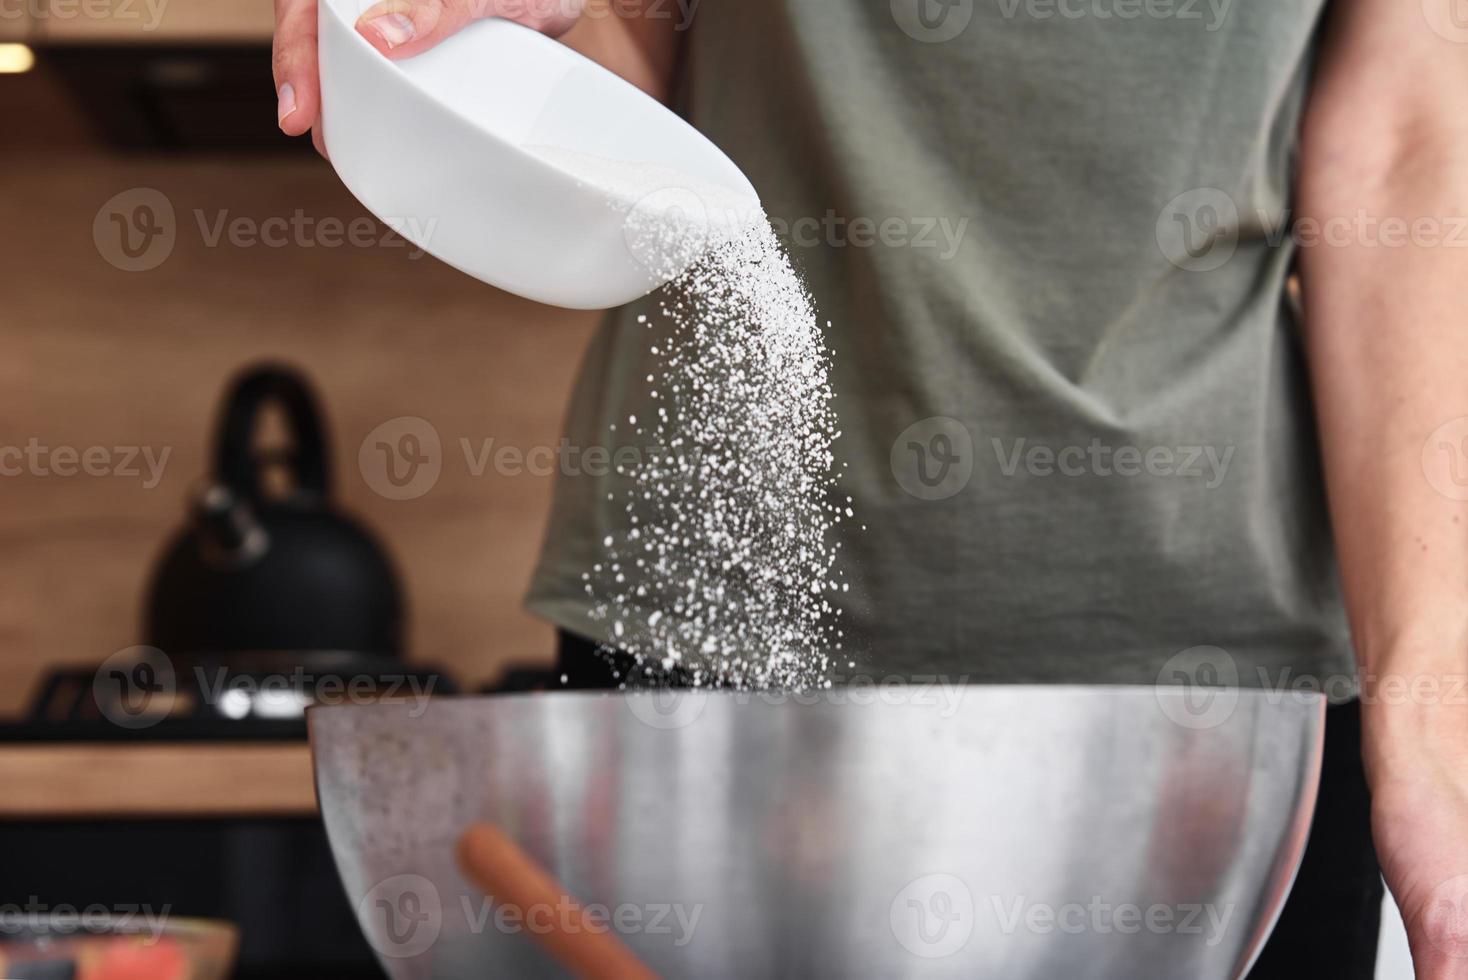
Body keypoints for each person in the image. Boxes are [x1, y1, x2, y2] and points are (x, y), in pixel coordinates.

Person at [274, 1, 1468, 975]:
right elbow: (631, 45)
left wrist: (1429, 712)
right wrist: (488, 34)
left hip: (1220, 713)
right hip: (715, 651)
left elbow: (1406, 141)